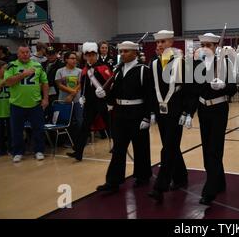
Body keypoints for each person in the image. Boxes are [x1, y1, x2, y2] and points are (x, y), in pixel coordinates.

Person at [96, 41, 153, 192]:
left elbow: (150, 95)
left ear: (135, 53)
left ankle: (142, 176)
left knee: (140, 147)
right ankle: (113, 181)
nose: (122, 54)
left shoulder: (143, 70)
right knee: (118, 148)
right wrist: (105, 95)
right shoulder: (118, 70)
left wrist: (147, 117)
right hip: (120, 113)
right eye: (121, 52)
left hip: (137, 112)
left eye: (126, 51)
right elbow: (115, 92)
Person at [147, 30, 193, 203]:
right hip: (161, 112)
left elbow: (189, 91)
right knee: (170, 145)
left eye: (163, 42)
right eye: (157, 42)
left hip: (176, 112)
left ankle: (160, 186)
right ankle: (181, 176)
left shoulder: (182, 62)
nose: (159, 45)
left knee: (167, 149)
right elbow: (151, 91)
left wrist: (186, 112)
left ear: (171, 42)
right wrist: (151, 111)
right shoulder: (153, 63)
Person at [191, 32, 237, 205]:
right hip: (203, 109)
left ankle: (209, 191)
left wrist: (224, 86)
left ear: (216, 46)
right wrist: (189, 112)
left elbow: (233, 88)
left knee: (215, 149)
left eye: (209, 45)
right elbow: (194, 90)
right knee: (206, 149)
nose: (205, 48)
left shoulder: (225, 63)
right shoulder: (197, 65)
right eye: (202, 45)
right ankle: (219, 182)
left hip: (219, 109)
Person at [66, 42, 112, 161]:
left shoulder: (104, 67)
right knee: (84, 127)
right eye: (88, 55)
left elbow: (111, 85)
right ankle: (78, 152)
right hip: (90, 103)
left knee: (109, 125)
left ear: (96, 55)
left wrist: (107, 96)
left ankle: (118, 146)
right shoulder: (85, 70)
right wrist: (82, 97)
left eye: (92, 55)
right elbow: (84, 85)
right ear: (85, 56)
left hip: (102, 102)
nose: (90, 57)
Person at [4, 45, 49, 162]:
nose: (25, 54)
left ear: (30, 53)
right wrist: (23, 74)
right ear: (18, 54)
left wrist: (45, 99)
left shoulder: (38, 65)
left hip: (35, 104)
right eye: (22, 52)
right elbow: (7, 82)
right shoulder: (11, 66)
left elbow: (45, 83)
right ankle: (18, 152)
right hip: (17, 104)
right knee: (17, 130)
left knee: (38, 129)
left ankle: (39, 151)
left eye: (27, 52)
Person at [55, 51, 83, 146]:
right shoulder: (60, 71)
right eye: (72, 58)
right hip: (64, 100)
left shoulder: (79, 71)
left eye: (75, 58)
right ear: (66, 59)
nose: (74, 60)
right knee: (66, 121)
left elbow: (80, 84)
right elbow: (59, 85)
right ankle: (66, 141)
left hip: (76, 100)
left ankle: (79, 141)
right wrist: (71, 91)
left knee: (79, 121)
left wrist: (72, 94)